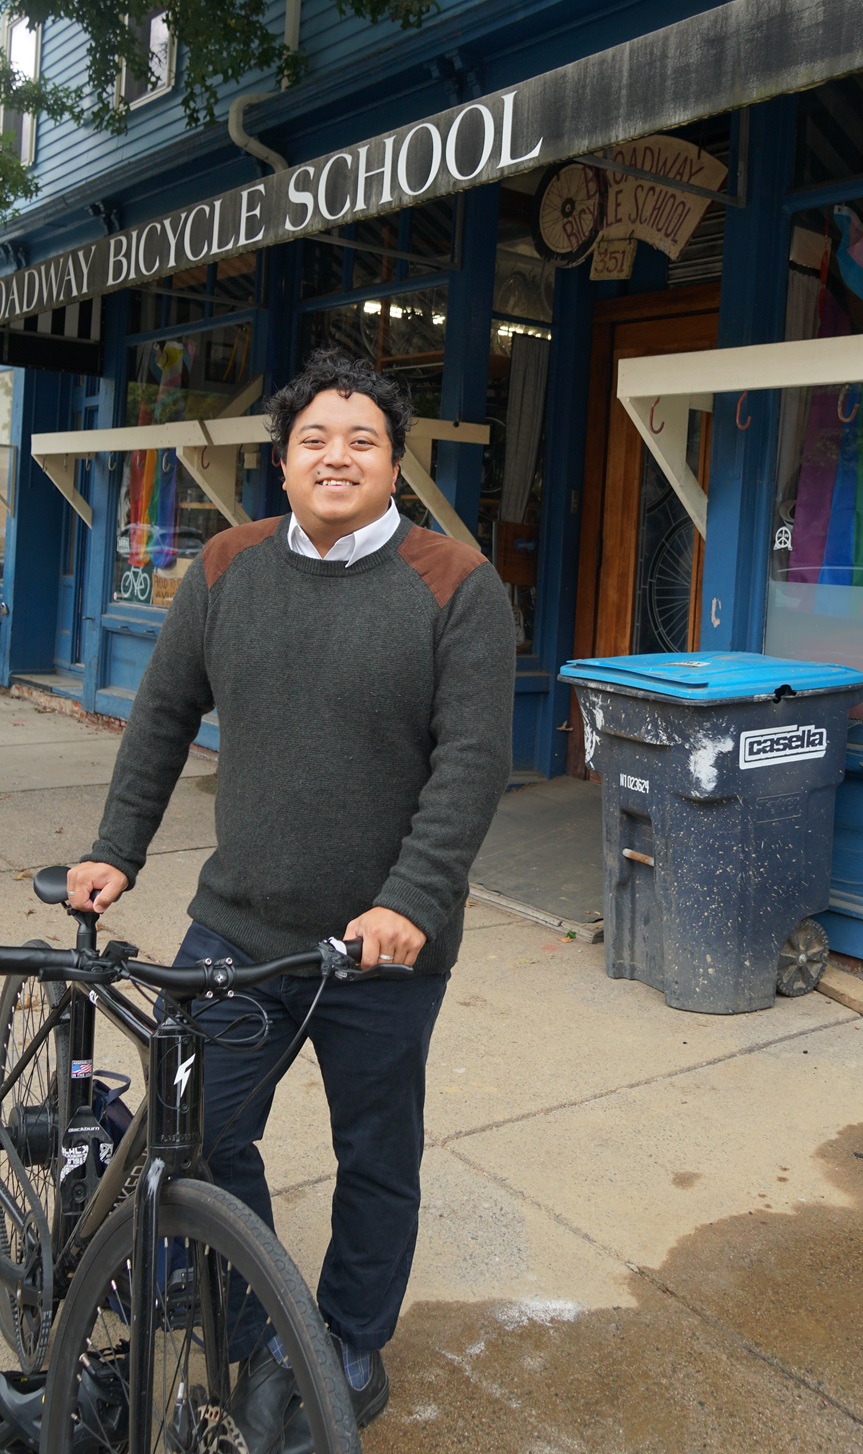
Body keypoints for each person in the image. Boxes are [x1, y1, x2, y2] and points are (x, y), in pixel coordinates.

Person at [67, 349, 516, 1443]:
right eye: (316, 437)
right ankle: (261, 1316)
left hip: (384, 945)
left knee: (376, 1148)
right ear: (283, 462)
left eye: (362, 438)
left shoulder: (456, 583)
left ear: (392, 463)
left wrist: (410, 897)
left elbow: (471, 760)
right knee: (205, 1133)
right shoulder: (226, 566)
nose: (337, 454)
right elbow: (163, 713)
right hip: (239, 919)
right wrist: (115, 846)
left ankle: (349, 1338)